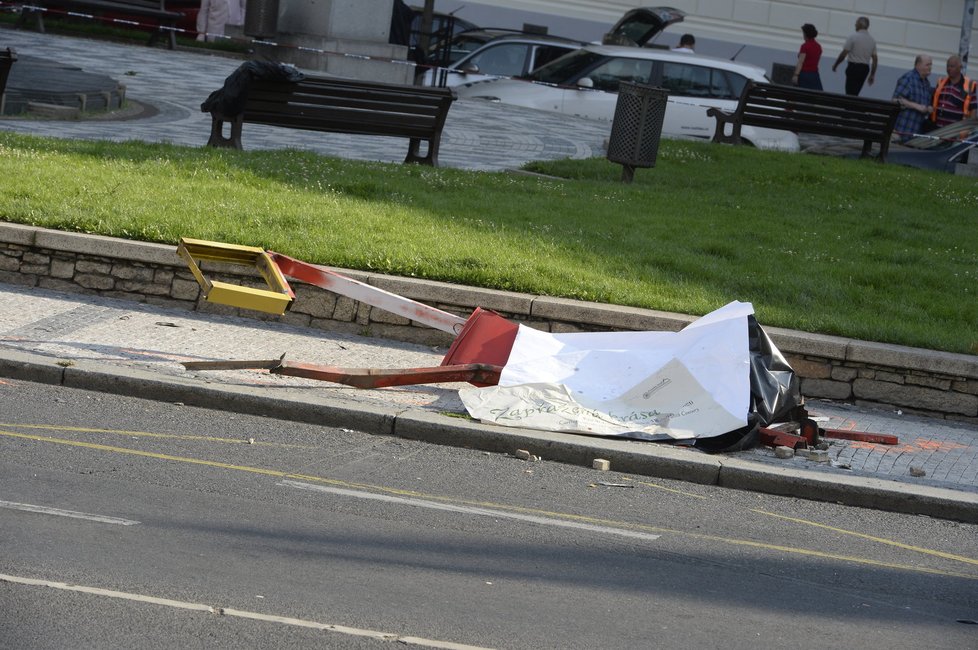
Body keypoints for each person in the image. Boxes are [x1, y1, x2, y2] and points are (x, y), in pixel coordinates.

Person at [831, 16, 877, 96]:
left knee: (849, 92)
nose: (855, 25)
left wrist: (836, 64)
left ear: (859, 24)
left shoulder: (853, 37)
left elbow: (844, 53)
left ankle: (849, 108)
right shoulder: (872, 40)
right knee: (855, 93)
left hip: (853, 67)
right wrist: (872, 74)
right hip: (865, 69)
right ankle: (852, 107)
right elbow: (875, 59)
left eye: (856, 23)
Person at [892, 55, 934, 141]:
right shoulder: (908, 79)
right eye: (927, 65)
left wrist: (928, 108)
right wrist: (916, 106)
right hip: (900, 132)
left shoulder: (926, 84)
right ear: (918, 65)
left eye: (931, 65)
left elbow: (923, 107)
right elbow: (895, 100)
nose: (930, 67)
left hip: (914, 136)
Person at [930, 54, 977, 127]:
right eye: (948, 66)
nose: (949, 68)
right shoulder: (941, 82)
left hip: (954, 132)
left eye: (952, 66)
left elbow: (973, 109)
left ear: (960, 67)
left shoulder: (969, 85)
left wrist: (970, 128)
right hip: (937, 129)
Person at [792, 24, 822, 90]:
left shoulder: (805, 46)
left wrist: (796, 75)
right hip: (815, 75)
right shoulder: (818, 46)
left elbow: (800, 62)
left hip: (804, 75)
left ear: (805, 34)